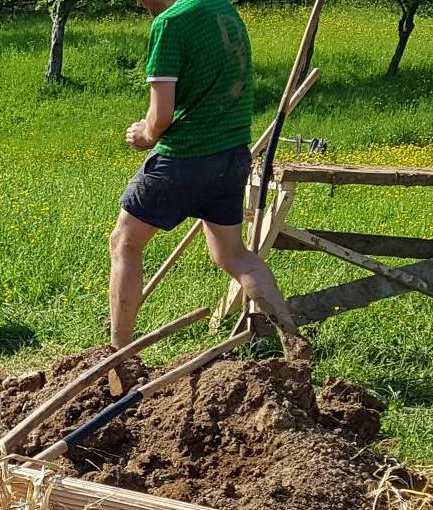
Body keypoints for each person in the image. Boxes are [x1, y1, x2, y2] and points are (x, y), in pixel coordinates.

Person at [110, 0, 311, 359]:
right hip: (231, 156)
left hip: (184, 158)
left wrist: (145, 134)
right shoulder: (223, 9)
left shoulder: (171, 24)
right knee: (232, 254)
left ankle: (119, 352)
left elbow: (160, 116)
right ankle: (290, 335)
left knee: (125, 242)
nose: (137, 3)